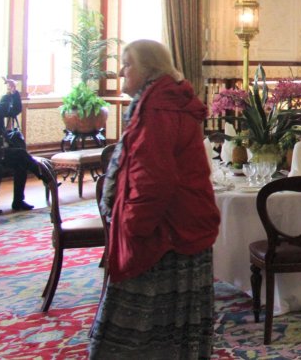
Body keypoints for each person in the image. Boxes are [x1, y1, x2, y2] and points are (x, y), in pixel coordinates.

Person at [89, 40, 220, 359]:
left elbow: (153, 178)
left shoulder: (159, 107)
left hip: (165, 230)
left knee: (140, 324)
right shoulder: (161, 101)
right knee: (173, 322)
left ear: (148, 69)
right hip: (176, 224)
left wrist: (132, 227)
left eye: (128, 63)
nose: (121, 71)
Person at [0, 84, 38, 216]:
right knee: (20, 155)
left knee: (20, 163)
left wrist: (14, 93)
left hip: (0, 149)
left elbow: (14, 110)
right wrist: (6, 96)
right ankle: (46, 177)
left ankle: (18, 200)